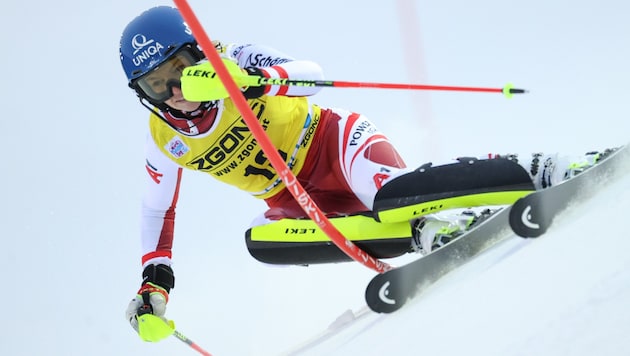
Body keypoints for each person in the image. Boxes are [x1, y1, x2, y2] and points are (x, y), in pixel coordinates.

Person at [119, 6, 601, 342]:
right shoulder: (163, 138)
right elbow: (155, 208)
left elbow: (309, 73)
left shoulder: (236, 61)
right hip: (291, 197)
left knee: (393, 195)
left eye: (180, 69)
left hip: (333, 145)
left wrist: (255, 80)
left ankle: (543, 169)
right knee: (261, 241)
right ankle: (428, 236)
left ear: (197, 53)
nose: (175, 92)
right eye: (156, 85)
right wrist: (153, 282)